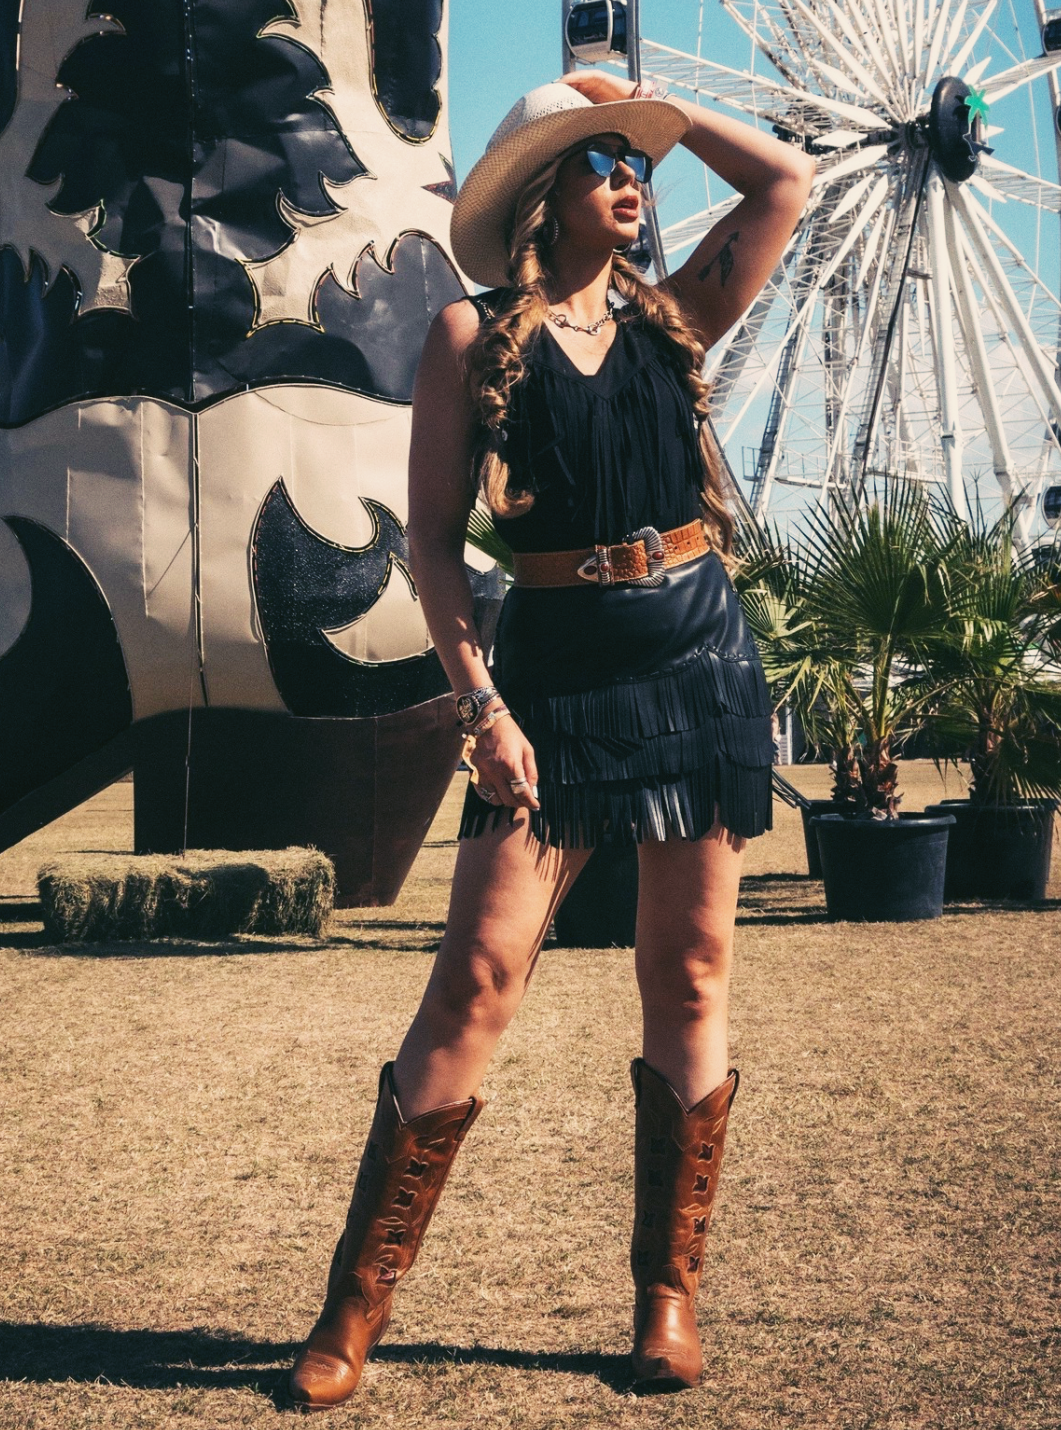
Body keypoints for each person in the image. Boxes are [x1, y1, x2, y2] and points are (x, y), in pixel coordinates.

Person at [286, 72, 815, 1409]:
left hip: (697, 661)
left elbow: (784, 186)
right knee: (473, 979)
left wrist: (658, 107)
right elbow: (433, 545)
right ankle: (355, 1307)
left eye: (633, 168)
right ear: (542, 194)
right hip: (553, 682)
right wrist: (482, 704)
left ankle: (666, 1296)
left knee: (689, 977)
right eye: (601, 165)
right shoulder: (471, 338)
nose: (632, 183)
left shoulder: (678, 316)